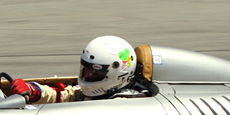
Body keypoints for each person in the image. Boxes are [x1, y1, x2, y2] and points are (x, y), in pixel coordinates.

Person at [8, 35, 150, 104]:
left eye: (94, 72)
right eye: (85, 70)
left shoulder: (123, 106)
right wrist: (34, 91)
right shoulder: (93, 93)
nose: (87, 75)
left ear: (118, 73)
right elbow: (65, 95)